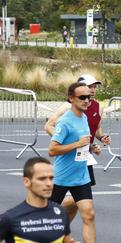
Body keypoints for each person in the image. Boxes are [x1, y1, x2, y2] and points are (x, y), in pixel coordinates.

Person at [48, 82, 112, 243]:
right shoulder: (65, 122)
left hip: (81, 175)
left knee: (89, 214)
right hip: (62, 177)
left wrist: (91, 148)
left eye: (89, 97)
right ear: (71, 99)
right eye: (83, 97)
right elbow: (52, 150)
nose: (87, 100)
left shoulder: (84, 118)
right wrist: (77, 144)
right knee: (44, 218)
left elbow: (83, 143)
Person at [44, 74, 110, 221]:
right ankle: (50, 217)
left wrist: (97, 141)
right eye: (90, 87)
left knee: (84, 208)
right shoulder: (69, 107)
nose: (92, 91)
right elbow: (49, 126)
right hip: (67, 160)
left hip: (83, 157)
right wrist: (68, 141)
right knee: (69, 202)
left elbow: (96, 130)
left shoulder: (96, 108)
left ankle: (62, 227)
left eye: (94, 87)